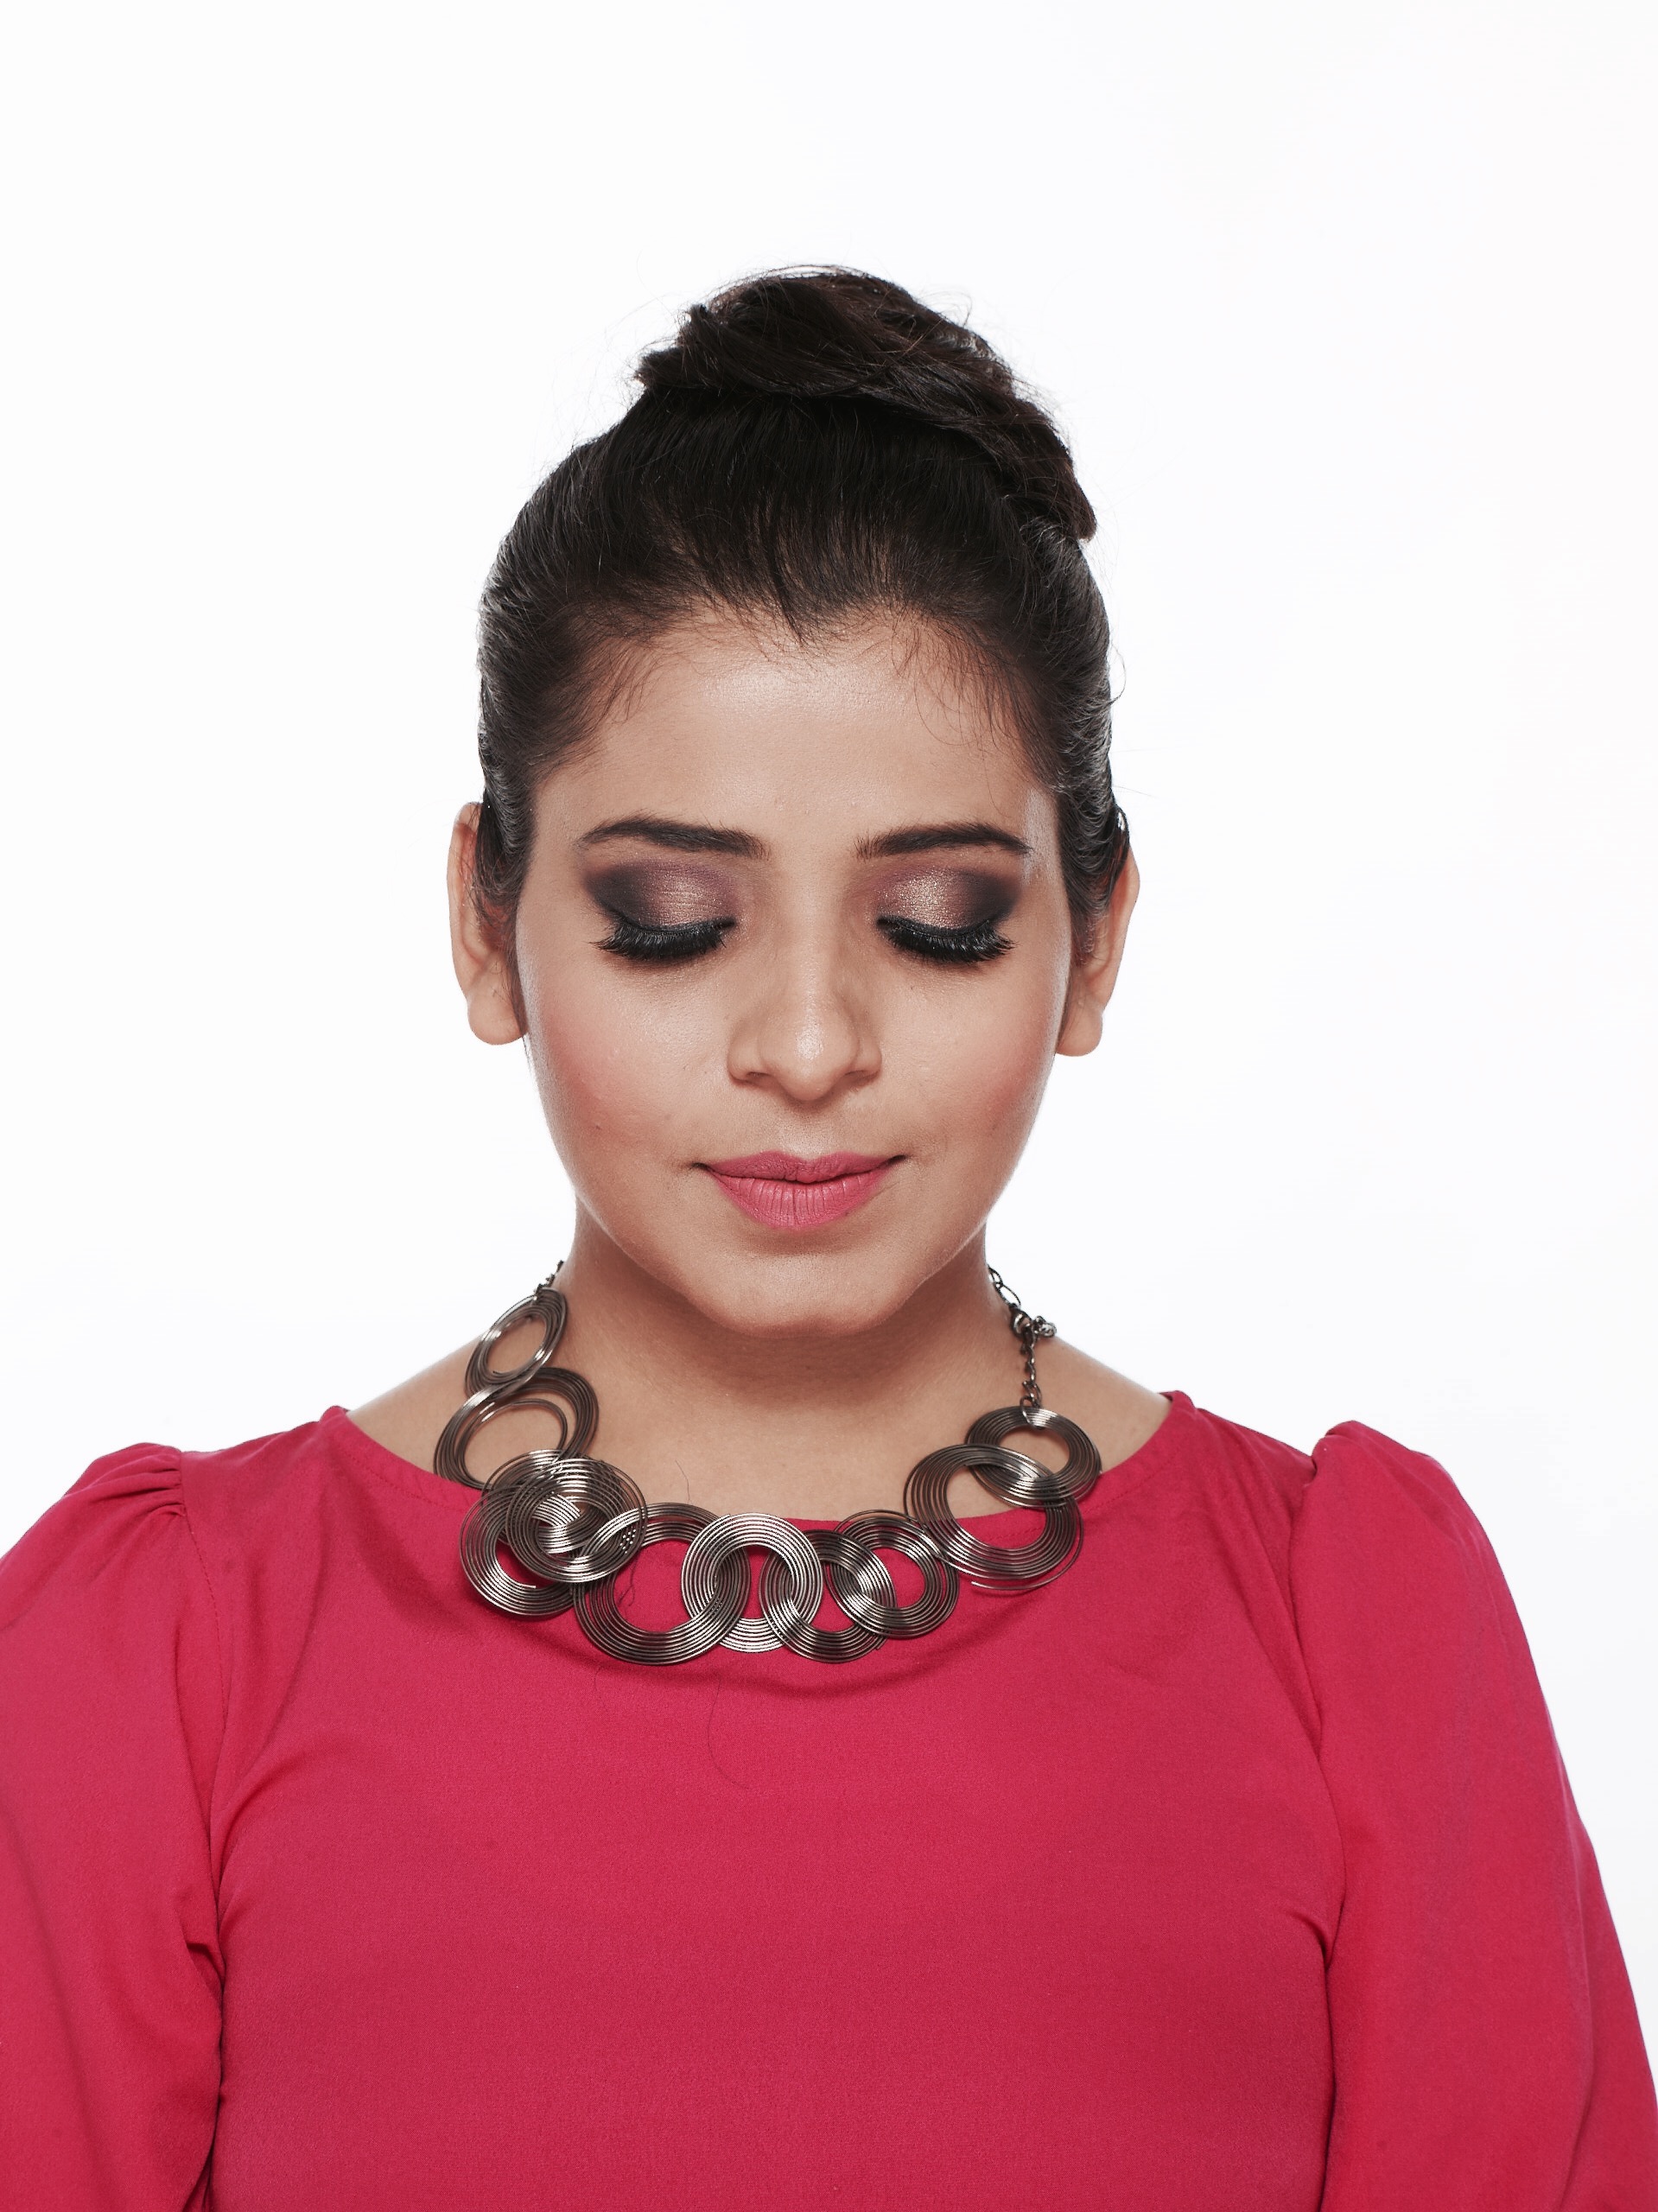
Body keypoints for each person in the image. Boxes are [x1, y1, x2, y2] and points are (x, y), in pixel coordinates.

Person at [1, 269, 1652, 2212]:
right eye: (673, 921)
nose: (805, 1045)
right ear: (487, 924)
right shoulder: (159, 1659)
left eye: (940, 921)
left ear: (1091, 944)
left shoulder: (1350, 1638)